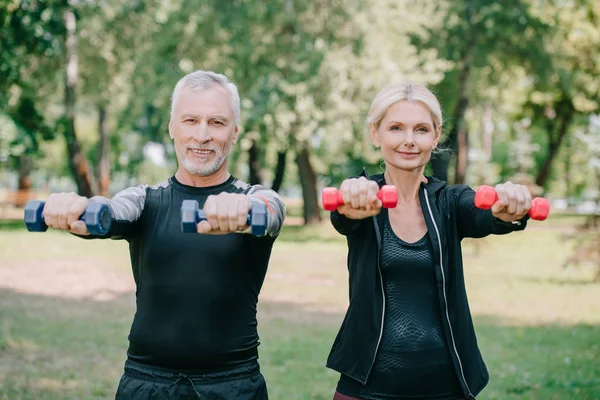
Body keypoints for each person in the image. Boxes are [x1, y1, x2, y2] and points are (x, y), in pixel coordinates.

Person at [40, 70, 285, 399]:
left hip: (233, 385)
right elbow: (111, 213)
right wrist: (75, 209)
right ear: (172, 127)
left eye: (216, 123)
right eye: (190, 120)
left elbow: (271, 210)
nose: (202, 135)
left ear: (235, 132)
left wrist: (240, 210)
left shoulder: (254, 197)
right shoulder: (146, 198)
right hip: (147, 382)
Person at [326, 83, 533, 400]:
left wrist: (508, 208)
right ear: (375, 134)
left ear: (435, 137)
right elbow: (345, 215)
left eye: (421, 129)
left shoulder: (449, 201)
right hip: (368, 385)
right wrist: (350, 203)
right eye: (396, 128)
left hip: (445, 385)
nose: (409, 140)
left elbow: (483, 213)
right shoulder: (364, 197)